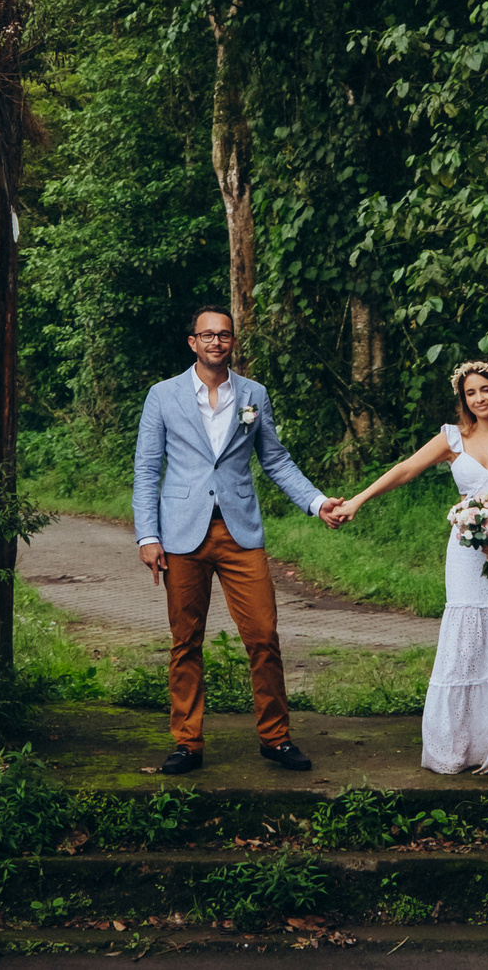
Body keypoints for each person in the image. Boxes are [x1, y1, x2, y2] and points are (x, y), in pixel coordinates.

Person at [132, 305, 346, 775]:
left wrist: (317, 502)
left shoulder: (253, 394)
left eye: (224, 335)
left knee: (264, 636)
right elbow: (147, 469)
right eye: (206, 335)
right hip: (180, 533)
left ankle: (275, 738)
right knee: (185, 640)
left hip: (239, 531)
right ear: (193, 342)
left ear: (232, 342)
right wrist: (148, 535)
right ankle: (187, 743)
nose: (215, 342)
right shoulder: (162, 395)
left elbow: (277, 460)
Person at [320, 360, 488, 775]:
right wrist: (356, 500)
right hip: (465, 552)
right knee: (466, 639)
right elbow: (406, 469)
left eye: (485, 390)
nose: (479, 399)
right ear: (464, 399)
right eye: (470, 393)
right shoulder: (452, 439)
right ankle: (460, 747)